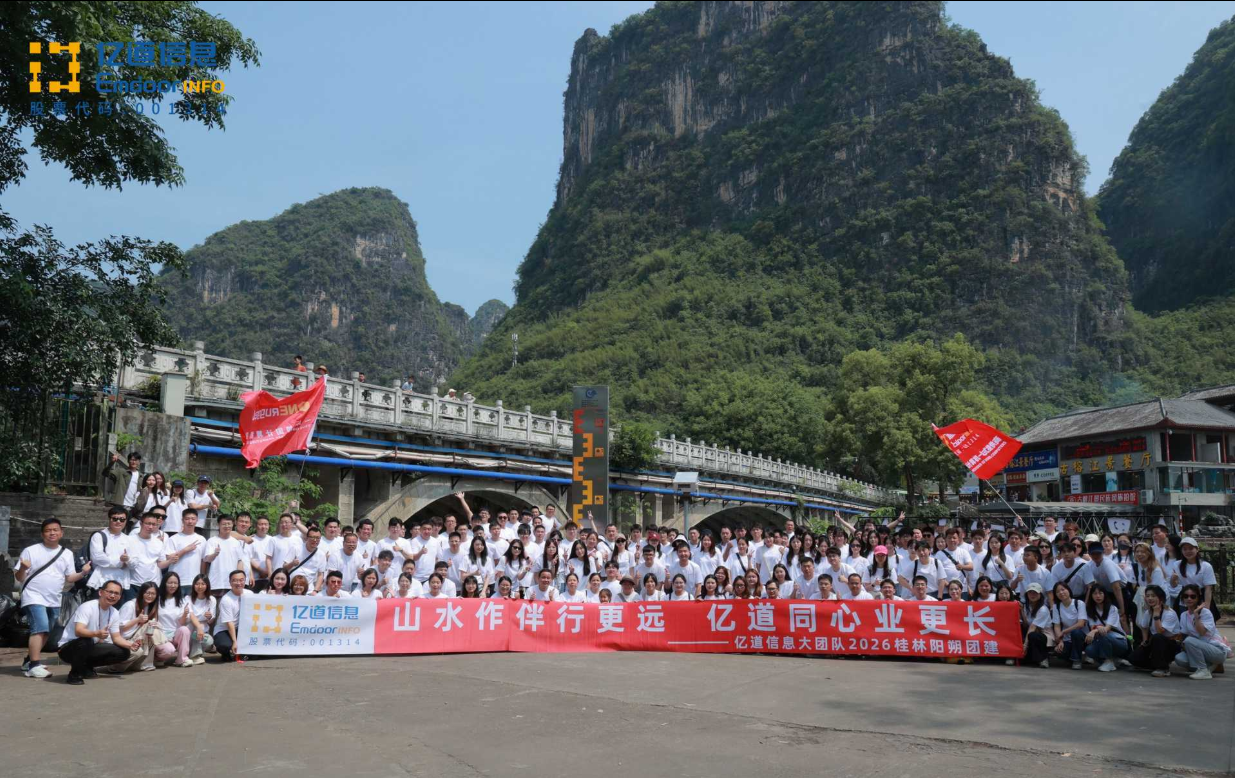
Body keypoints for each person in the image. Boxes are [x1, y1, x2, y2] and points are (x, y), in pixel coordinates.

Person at [17, 518, 90, 678]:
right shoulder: (31, 551)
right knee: (40, 627)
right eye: (48, 530)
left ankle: (29, 661)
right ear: (42, 534)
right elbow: (19, 577)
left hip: (54, 599)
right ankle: (34, 666)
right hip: (33, 596)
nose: (52, 533)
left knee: (46, 631)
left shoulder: (66, 553)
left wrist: (83, 572)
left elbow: (70, 578)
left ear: (61, 532)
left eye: (55, 530)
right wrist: (23, 567)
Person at [56, 580, 137, 685]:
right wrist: (96, 634)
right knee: (86, 641)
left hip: (90, 645)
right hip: (68, 648)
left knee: (124, 652)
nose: (112, 596)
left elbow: (116, 638)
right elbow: (79, 631)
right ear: (100, 592)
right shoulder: (87, 607)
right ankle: (74, 674)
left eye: (116, 593)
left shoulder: (114, 613)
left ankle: (86, 667)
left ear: (120, 597)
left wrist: (130, 645)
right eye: (110, 592)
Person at [1172, 584, 1231, 680]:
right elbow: (1185, 634)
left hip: (1216, 650)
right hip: (1200, 648)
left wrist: (1196, 615)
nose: (1189, 599)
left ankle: (1203, 670)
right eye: (1186, 596)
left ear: (1198, 598)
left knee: (1189, 640)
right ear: (1182, 599)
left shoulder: (1206, 612)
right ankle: (1211, 666)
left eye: (1193, 596)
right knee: (1180, 659)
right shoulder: (1184, 615)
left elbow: (1202, 632)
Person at [107, 581, 162, 673]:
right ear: (141, 593)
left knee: (152, 629)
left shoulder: (150, 607)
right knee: (138, 652)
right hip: (121, 639)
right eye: (147, 593)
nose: (150, 596)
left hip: (134, 636)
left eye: (153, 594)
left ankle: (144, 664)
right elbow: (120, 627)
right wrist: (137, 620)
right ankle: (114, 666)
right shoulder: (130, 605)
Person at [1129, 585, 1179, 677]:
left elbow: (1160, 631)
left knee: (1158, 637)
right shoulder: (1148, 612)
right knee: (1133, 658)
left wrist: (1156, 615)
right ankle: (1155, 665)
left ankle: (1163, 668)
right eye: (1147, 596)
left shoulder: (1169, 613)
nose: (1150, 598)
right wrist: (1144, 642)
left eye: (1153, 596)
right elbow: (1144, 627)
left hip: (1170, 645)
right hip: (1155, 643)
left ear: (1161, 598)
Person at [1081, 586, 1130, 672]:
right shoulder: (1090, 611)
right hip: (1101, 640)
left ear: (1105, 595)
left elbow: (1107, 628)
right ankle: (1112, 660)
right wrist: (1095, 629)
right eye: (1095, 593)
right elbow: (1093, 626)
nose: (1098, 596)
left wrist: (1094, 630)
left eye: (1100, 593)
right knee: (1089, 650)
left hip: (1118, 640)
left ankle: (1108, 661)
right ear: (1091, 596)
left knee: (1104, 634)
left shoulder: (1112, 608)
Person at [157, 573, 195, 668]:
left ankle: (182, 659)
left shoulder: (182, 601)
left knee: (184, 629)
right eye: (170, 583)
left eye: (175, 583)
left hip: (175, 635)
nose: (173, 585)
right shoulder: (157, 599)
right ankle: (157, 658)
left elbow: (181, 623)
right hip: (161, 635)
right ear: (164, 583)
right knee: (167, 651)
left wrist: (185, 614)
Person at [203, 515, 246, 597]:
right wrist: (215, 554)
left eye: (229, 524)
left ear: (233, 524)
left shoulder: (236, 543)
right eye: (224, 524)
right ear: (218, 525)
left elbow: (239, 561)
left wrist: (242, 579)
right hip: (215, 583)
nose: (227, 526)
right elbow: (207, 559)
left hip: (233, 584)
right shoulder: (212, 541)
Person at [1051, 581, 1088, 670]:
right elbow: (1057, 625)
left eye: (1063, 589)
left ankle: (1077, 660)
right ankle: (1072, 657)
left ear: (1068, 590)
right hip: (1066, 639)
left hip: (1082, 637)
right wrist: (1060, 641)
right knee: (1059, 652)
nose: (1061, 593)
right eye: (1058, 591)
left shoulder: (1079, 603)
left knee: (1076, 632)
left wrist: (1064, 631)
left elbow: (1081, 623)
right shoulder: (1057, 606)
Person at [213, 570, 246, 662]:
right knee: (225, 645)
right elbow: (229, 623)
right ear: (230, 582)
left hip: (241, 629)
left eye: (241, 580)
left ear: (245, 581)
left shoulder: (250, 594)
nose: (238, 583)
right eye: (235, 580)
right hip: (224, 629)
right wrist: (235, 641)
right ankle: (226, 653)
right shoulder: (226, 600)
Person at [103, 450, 143, 518]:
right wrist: (112, 462)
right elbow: (105, 473)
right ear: (128, 461)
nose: (134, 462)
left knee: (129, 527)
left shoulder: (141, 476)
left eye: (136, 460)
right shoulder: (120, 472)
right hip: (120, 504)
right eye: (132, 460)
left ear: (139, 462)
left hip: (134, 507)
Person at [187, 574, 216, 663]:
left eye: (203, 584)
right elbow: (190, 616)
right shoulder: (188, 598)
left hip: (202, 632)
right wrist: (199, 625)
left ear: (207, 585)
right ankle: (195, 656)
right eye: (197, 584)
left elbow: (211, 621)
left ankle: (194, 653)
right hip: (190, 631)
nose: (200, 587)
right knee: (198, 627)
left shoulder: (211, 599)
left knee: (209, 641)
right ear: (193, 585)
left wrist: (209, 617)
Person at [1022, 583, 1053, 668]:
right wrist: (1021, 611)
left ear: (1040, 595)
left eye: (1035, 592)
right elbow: (1025, 624)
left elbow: (1033, 627)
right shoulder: (1026, 607)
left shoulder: (1043, 609)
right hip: (1031, 633)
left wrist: (1025, 645)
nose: (1032, 595)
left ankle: (1043, 658)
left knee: (1033, 635)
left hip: (1044, 636)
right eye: (1030, 592)